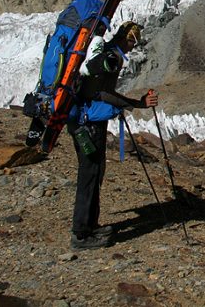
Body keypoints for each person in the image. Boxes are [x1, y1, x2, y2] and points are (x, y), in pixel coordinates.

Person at [68, 21, 159, 250]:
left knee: (93, 172)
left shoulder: (103, 52)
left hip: (81, 121)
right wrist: (136, 104)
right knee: (90, 174)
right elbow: (102, 93)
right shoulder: (111, 58)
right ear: (125, 38)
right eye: (132, 41)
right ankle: (81, 234)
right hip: (89, 124)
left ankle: (90, 225)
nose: (132, 46)